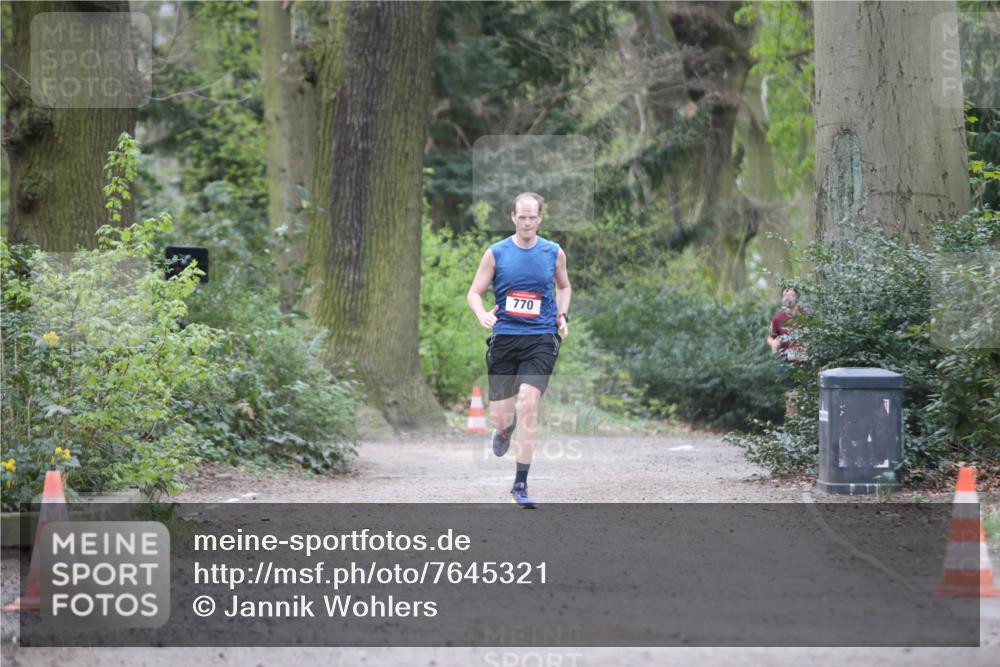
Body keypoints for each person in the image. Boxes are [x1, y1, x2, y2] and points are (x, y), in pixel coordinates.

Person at [466, 192, 571, 508]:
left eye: (532, 217)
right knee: (501, 418)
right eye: (521, 217)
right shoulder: (496, 253)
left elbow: (564, 286)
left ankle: (520, 484)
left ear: (540, 218)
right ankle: (503, 430)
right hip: (505, 340)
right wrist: (482, 313)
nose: (527, 222)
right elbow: (474, 292)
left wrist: (561, 315)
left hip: (541, 338)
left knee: (528, 404)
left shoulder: (553, 252)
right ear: (513, 217)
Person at [768, 286, 805, 416]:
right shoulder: (777, 318)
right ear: (781, 299)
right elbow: (771, 337)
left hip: (805, 362)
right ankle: (793, 425)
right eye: (785, 296)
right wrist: (773, 343)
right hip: (787, 363)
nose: (788, 298)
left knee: (807, 396)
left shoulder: (806, 315)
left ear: (797, 298)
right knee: (791, 396)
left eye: (791, 295)